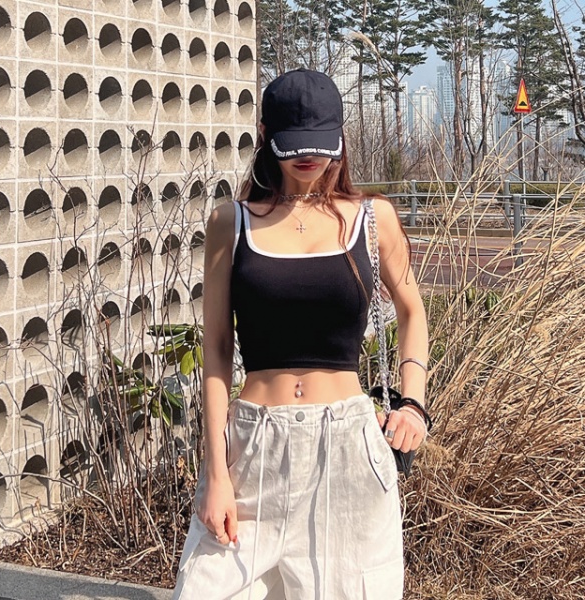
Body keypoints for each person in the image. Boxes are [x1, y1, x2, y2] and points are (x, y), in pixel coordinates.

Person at [172, 68, 429, 600]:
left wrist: (413, 404)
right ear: (267, 135)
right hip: (253, 450)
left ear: (339, 136)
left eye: (320, 144)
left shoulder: (373, 218)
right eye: (294, 145)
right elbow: (216, 348)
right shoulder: (231, 222)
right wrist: (216, 472)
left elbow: (412, 313)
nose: (308, 158)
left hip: (348, 448)